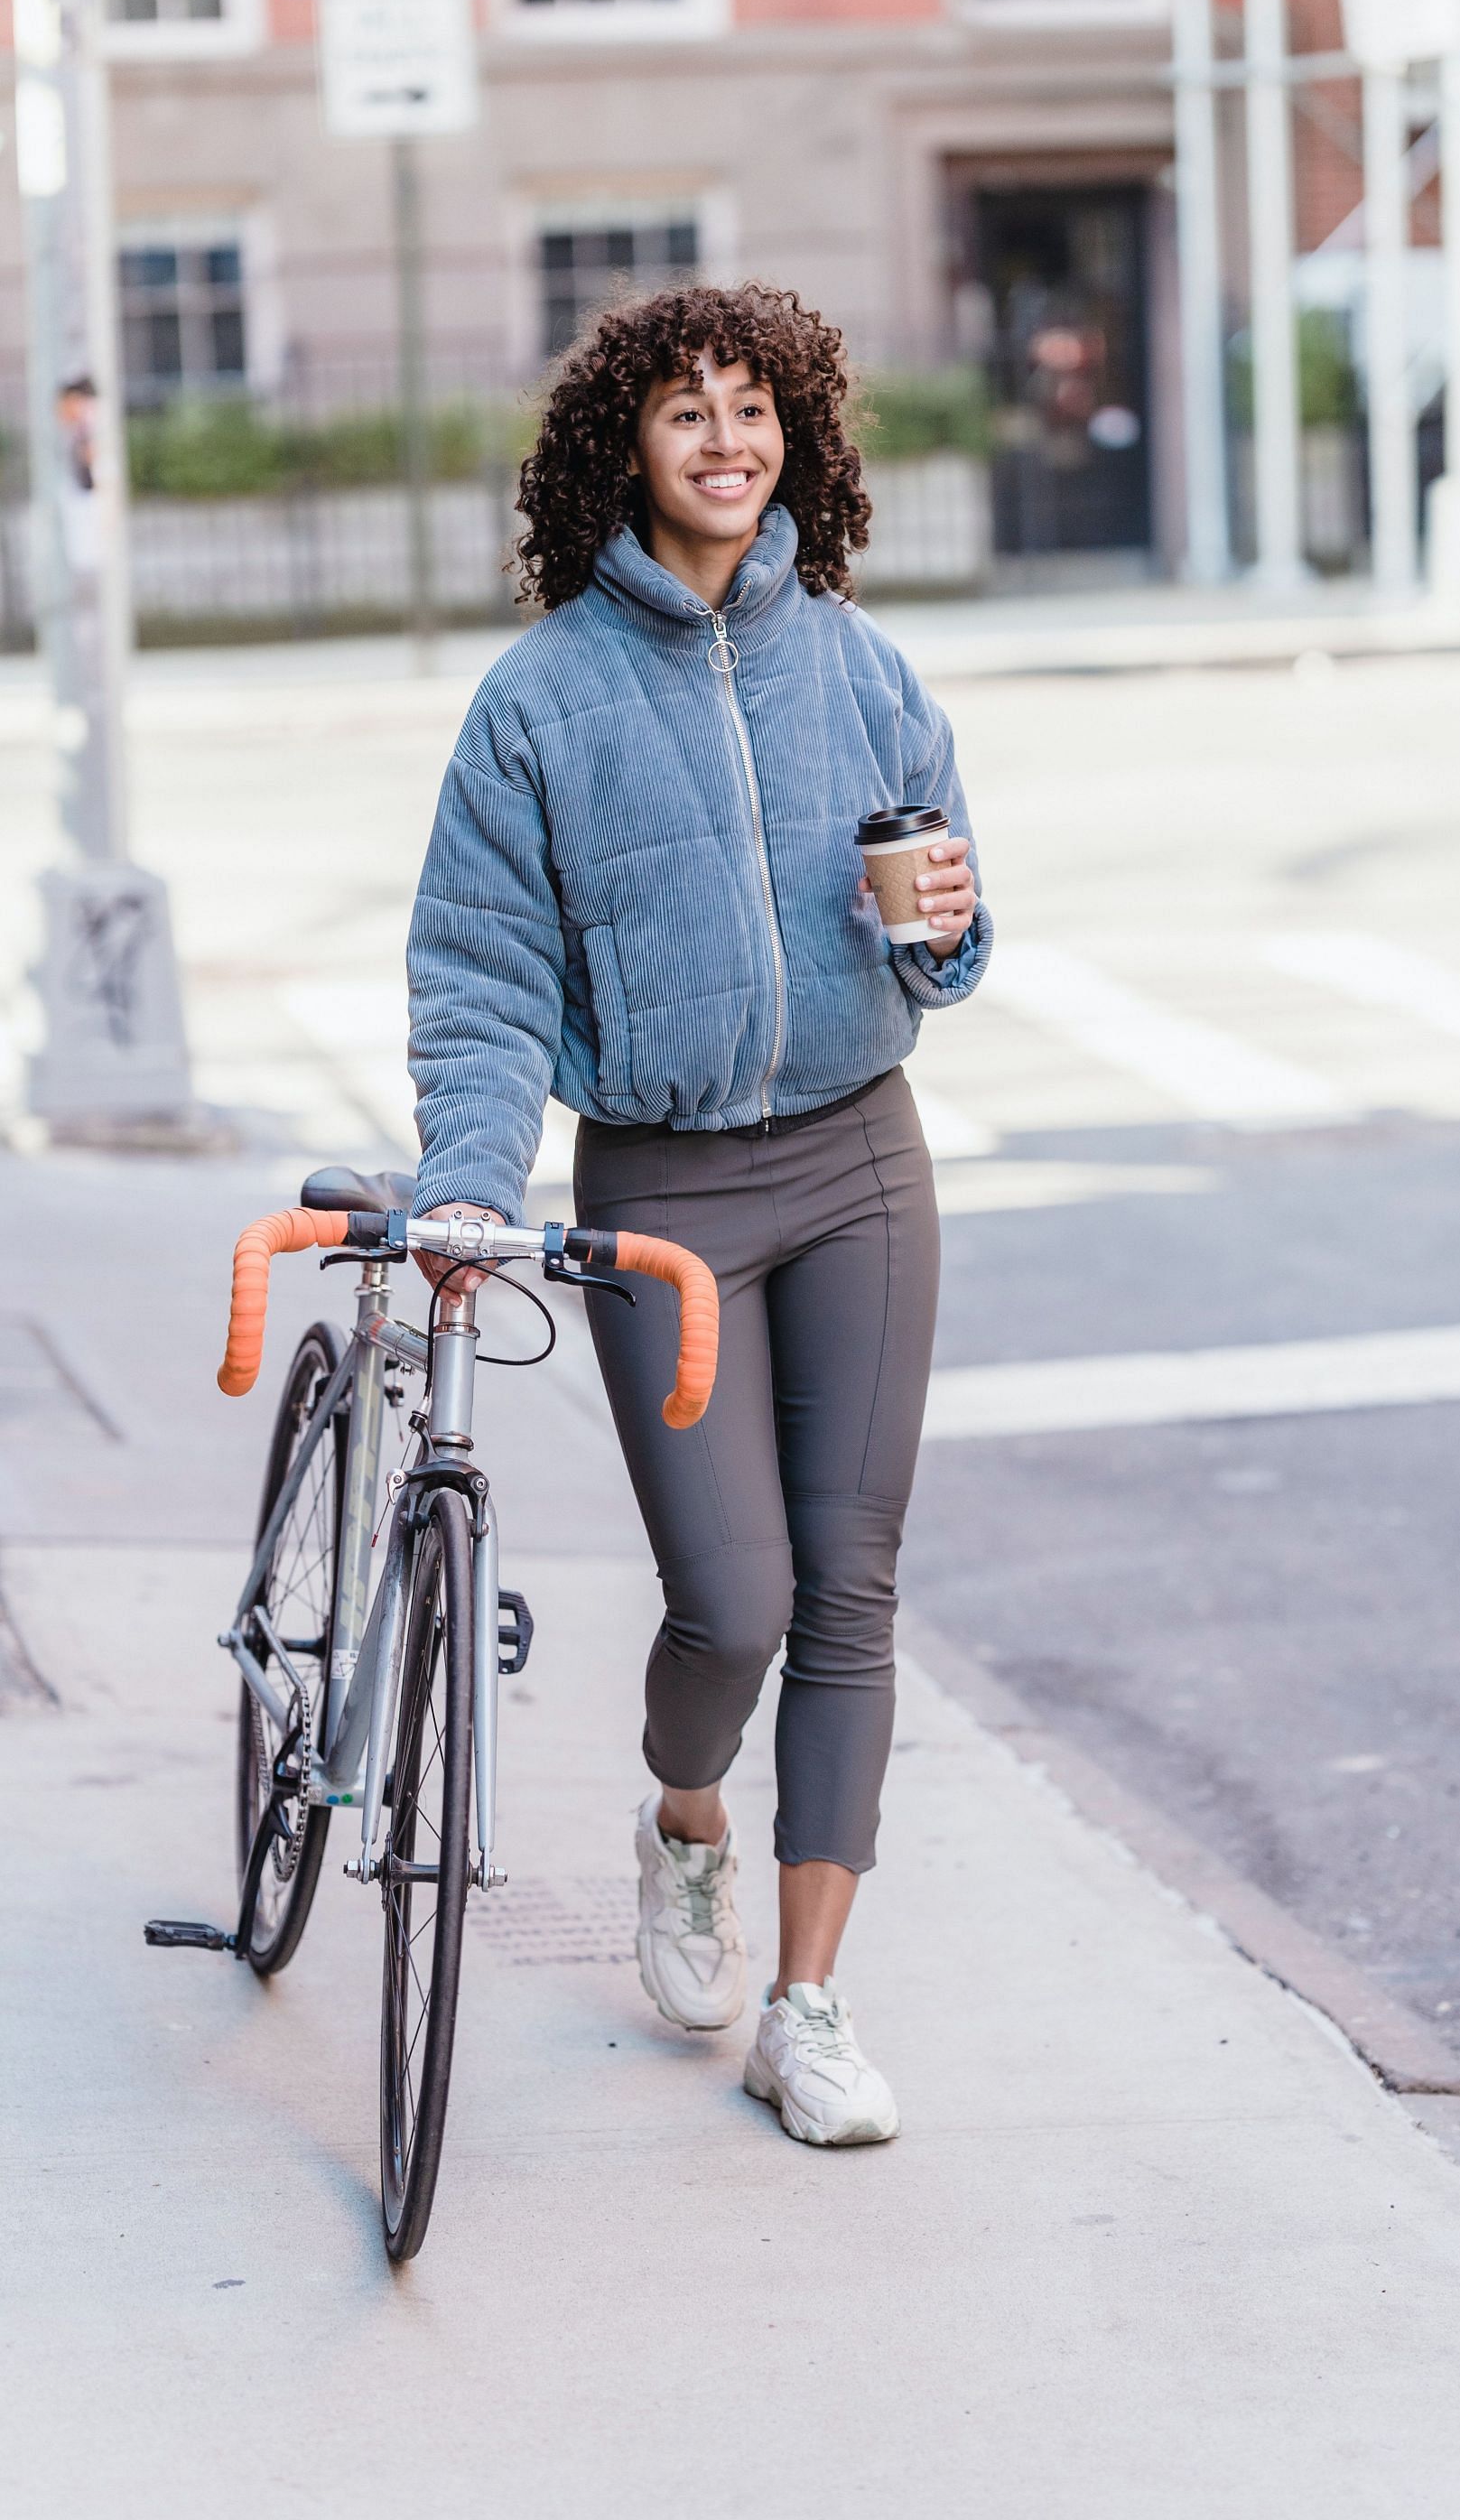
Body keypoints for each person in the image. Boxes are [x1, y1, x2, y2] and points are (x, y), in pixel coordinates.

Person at [406, 284, 990, 2146]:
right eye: (687, 414)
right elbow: (482, 975)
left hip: (860, 1164)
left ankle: (808, 2006)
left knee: (851, 1589)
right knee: (729, 1604)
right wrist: (469, 1185)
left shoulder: (860, 663)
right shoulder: (541, 701)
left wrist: (952, 930)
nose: (726, 442)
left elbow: (950, 917)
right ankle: (684, 1822)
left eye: (753, 410)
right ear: (626, 451)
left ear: (795, 437)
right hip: (663, 1187)